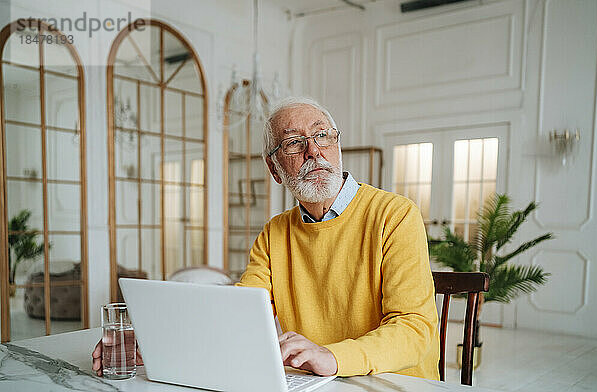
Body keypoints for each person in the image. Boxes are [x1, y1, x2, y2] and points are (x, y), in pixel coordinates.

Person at [92, 97, 439, 380]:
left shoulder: (395, 215)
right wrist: (155, 344)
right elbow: (238, 318)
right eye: (293, 143)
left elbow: (414, 329)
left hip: (393, 382)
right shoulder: (275, 233)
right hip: (315, 383)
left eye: (322, 136)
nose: (313, 151)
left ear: (337, 145)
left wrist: (332, 356)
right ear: (275, 169)